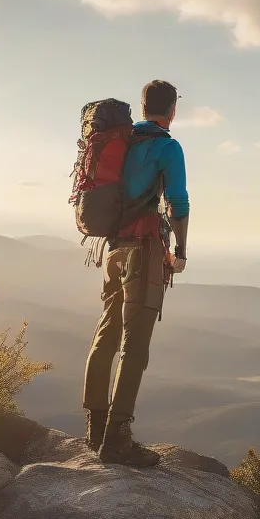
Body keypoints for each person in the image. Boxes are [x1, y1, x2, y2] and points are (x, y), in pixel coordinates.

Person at [82, 79, 189, 466]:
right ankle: (117, 439)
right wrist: (180, 250)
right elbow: (178, 201)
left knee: (107, 331)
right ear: (172, 109)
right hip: (144, 251)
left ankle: (95, 429)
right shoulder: (167, 146)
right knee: (135, 343)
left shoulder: (122, 141)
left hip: (112, 249)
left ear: (143, 108)